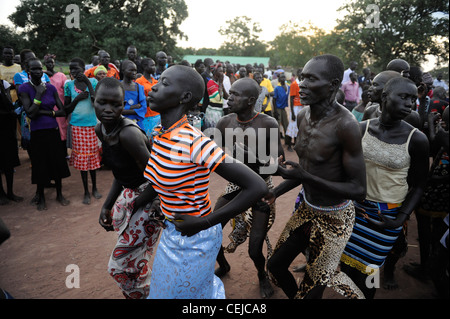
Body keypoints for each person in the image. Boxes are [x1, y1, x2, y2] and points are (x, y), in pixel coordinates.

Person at [132, 65, 268, 299]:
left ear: (185, 97)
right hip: (172, 232)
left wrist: (205, 222)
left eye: (164, 83)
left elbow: (257, 186)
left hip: (196, 239)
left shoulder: (195, 142)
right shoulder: (160, 133)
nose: (154, 86)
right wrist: (135, 204)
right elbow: (159, 180)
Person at [264, 54, 367, 299]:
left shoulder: (346, 125)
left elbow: (358, 190)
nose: (302, 85)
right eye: (302, 78)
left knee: (312, 291)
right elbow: (306, 170)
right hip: (307, 209)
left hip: (336, 218)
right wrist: (274, 193)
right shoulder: (303, 116)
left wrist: (305, 177)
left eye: (311, 79)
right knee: (276, 266)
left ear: (332, 85)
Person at [340, 77, 430, 299]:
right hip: (354, 211)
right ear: (383, 97)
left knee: (369, 273)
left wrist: (401, 218)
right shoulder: (360, 129)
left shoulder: (417, 139)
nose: (410, 103)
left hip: (385, 216)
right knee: (348, 268)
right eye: (403, 96)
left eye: (412, 98)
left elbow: (419, 185)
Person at [212, 77, 284, 299]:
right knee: (211, 232)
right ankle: (223, 266)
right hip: (236, 186)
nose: (229, 97)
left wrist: (253, 158)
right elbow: (215, 157)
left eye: (235, 94)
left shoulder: (268, 124)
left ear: (251, 100)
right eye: (229, 93)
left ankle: (262, 276)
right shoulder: (224, 123)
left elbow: (276, 165)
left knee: (255, 249)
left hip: (262, 187)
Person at [94, 77, 162, 299]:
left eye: (116, 105)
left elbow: (158, 179)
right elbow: (120, 173)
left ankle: (148, 294)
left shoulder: (128, 134)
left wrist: (135, 204)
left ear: (124, 106)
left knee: (120, 267)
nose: (108, 110)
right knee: (131, 263)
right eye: (102, 103)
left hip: (152, 197)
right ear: (93, 101)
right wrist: (107, 205)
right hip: (132, 194)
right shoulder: (100, 129)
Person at [404, 106, 448, 295]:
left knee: (426, 226)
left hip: (437, 194)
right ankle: (430, 262)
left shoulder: (445, 136)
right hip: (440, 193)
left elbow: (434, 140)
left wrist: (431, 122)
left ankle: (427, 267)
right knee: (437, 230)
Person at [19, 58, 70, 211]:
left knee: (57, 162)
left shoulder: (51, 88)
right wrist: (39, 95)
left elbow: (62, 111)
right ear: (28, 72)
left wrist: (46, 112)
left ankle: (60, 194)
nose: (38, 72)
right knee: (40, 165)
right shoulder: (24, 88)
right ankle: (41, 196)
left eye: (39, 69)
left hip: (53, 131)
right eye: (34, 69)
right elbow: (30, 114)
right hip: (37, 133)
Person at [64, 57, 102, 205]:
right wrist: (77, 99)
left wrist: (87, 82)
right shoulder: (69, 85)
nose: (73, 71)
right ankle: (86, 191)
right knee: (82, 161)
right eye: (71, 69)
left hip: (92, 125)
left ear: (83, 69)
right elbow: (66, 108)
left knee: (92, 159)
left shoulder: (93, 82)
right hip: (77, 126)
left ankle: (95, 188)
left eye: (76, 68)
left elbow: (96, 102)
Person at [0, 79, 22, 205]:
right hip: (4, 124)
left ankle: (10, 192)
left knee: (9, 162)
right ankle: (1, 194)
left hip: (8, 129)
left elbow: (9, 103)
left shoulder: (4, 84)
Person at [44, 54, 69, 155]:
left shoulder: (61, 76)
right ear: (45, 64)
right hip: (49, 105)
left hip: (60, 105)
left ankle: (64, 152)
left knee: (63, 127)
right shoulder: (43, 76)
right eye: (48, 63)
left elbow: (65, 91)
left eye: (52, 62)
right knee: (52, 127)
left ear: (54, 64)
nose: (50, 64)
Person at [135, 58, 160, 136]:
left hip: (157, 114)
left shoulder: (156, 82)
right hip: (146, 116)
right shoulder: (139, 81)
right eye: (152, 65)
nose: (154, 67)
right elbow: (138, 99)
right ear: (145, 67)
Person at [120, 60, 147, 130]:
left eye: (135, 70)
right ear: (123, 71)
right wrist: (132, 107)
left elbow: (143, 108)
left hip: (137, 124)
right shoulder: (118, 86)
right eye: (131, 70)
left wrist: (125, 109)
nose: (134, 73)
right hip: (121, 123)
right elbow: (117, 109)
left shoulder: (139, 87)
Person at [204, 63, 228, 129]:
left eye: (223, 71)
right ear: (215, 72)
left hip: (219, 111)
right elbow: (218, 98)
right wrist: (220, 83)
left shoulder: (218, 83)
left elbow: (226, 97)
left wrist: (221, 83)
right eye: (220, 71)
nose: (222, 73)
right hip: (213, 113)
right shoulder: (210, 82)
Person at [286, 68, 303, 151]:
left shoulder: (302, 83)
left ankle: (296, 145)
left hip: (302, 107)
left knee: (299, 127)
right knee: (292, 126)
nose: (302, 75)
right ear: (297, 74)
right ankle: (289, 145)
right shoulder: (294, 84)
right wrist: (292, 112)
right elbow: (291, 98)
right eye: (300, 73)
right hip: (295, 108)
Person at [272, 73, 289, 140]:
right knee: (277, 124)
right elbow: (274, 100)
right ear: (279, 79)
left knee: (286, 123)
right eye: (281, 77)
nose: (283, 79)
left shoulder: (288, 87)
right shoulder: (277, 88)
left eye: (284, 77)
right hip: (278, 108)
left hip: (283, 108)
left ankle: (287, 140)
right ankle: (275, 140)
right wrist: (275, 111)